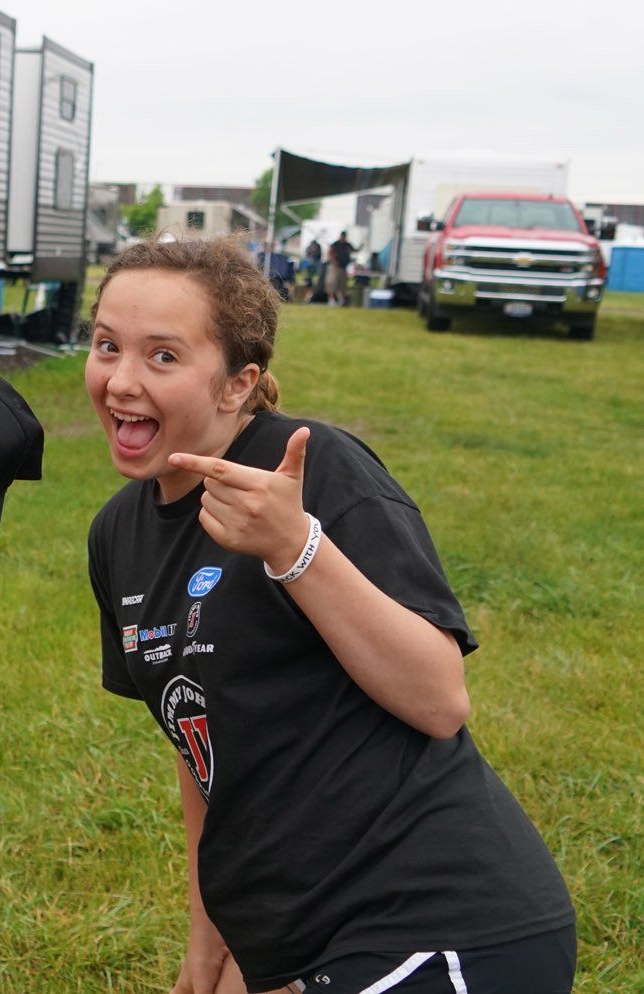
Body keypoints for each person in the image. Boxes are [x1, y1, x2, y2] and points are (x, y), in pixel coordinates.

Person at [83, 237, 575, 994]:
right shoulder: (119, 532)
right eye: (107, 345)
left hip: (444, 922)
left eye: (163, 357)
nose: (120, 380)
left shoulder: (318, 470)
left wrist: (295, 547)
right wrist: (208, 938)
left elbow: (440, 699)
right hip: (299, 927)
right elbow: (198, 744)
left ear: (237, 385)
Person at [324, 230, 357, 306]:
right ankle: (331, 300)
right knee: (332, 284)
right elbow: (329, 253)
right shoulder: (335, 244)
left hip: (343, 267)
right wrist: (334, 261)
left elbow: (354, 250)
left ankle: (341, 300)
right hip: (335, 267)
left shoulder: (347, 244)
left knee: (342, 285)